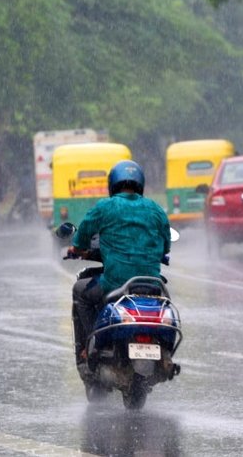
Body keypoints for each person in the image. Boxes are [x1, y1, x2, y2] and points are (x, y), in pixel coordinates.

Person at [67, 160, 171, 374]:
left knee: (80, 291)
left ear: (112, 184)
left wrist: (78, 249)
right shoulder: (156, 209)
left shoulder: (105, 207)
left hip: (114, 284)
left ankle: (90, 345)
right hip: (152, 286)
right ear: (140, 183)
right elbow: (166, 245)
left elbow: (82, 236)